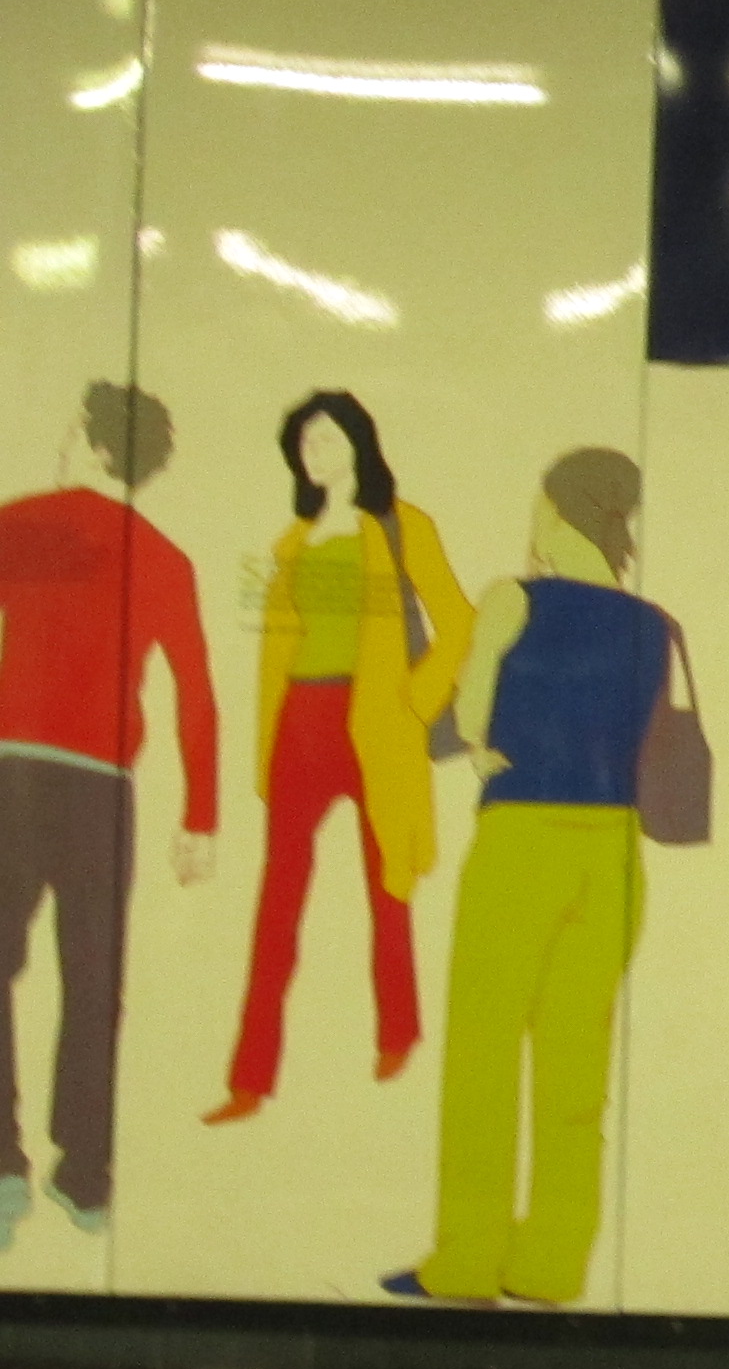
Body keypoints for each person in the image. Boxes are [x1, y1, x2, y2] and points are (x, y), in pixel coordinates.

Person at [388, 449, 673, 1310]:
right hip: (614, 850)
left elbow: (470, 711)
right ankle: (550, 1265)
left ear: (552, 511)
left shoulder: (514, 597)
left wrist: (482, 748)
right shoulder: (651, 623)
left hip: (523, 839)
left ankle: (467, 1261)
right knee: (574, 1067)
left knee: (483, 1054)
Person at [210, 391, 468, 1123]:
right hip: (301, 721)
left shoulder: (401, 526)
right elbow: (262, 636)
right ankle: (249, 1078)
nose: (314, 455)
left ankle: (399, 1031)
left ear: (358, 442)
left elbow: (458, 623)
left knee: (388, 887)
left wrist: (415, 701)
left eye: (325, 440)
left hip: (375, 722)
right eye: (303, 445)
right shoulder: (289, 540)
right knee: (278, 897)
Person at [0, 383, 215, 1248]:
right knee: (95, 985)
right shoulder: (165, 557)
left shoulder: (22, 521)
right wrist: (200, 814)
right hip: (101, 789)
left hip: (12, 772)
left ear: (90, 441)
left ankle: (3, 1165)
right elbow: (195, 694)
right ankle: (84, 1174)